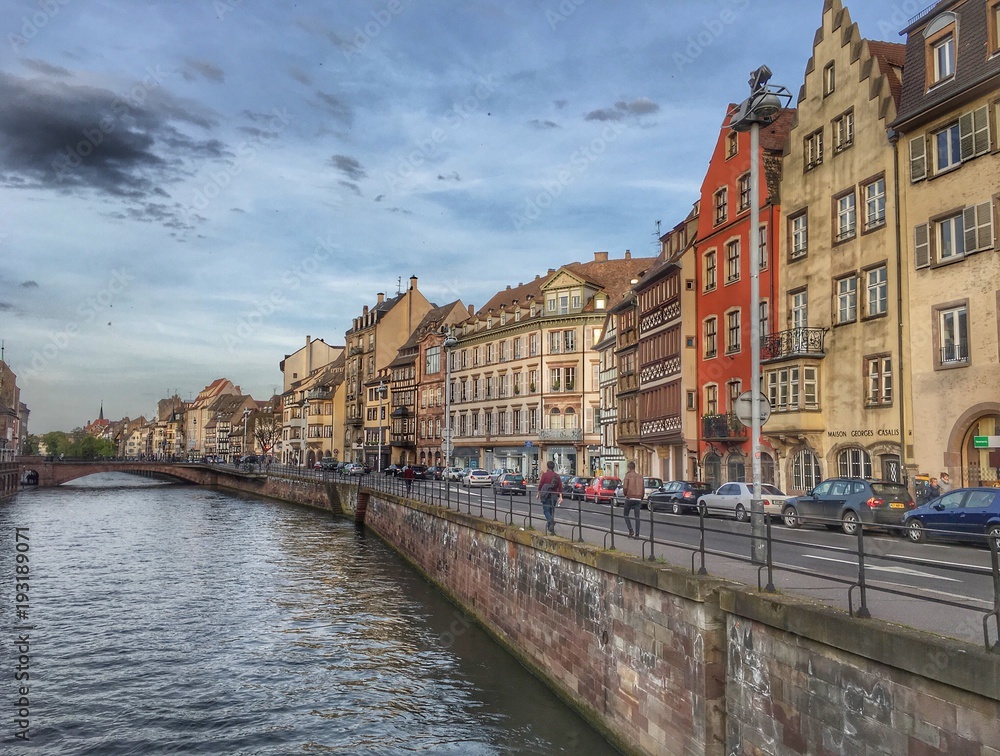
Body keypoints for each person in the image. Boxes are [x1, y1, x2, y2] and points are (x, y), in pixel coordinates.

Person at [538, 460, 563, 535]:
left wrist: (538, 493)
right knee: (552, 511)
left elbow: (541, 484)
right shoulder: (557, 476)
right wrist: (561, 497)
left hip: (546, 495)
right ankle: (551, 529)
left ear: (547, 467)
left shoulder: (545, 475)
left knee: (546, 510)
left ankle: (551, 522)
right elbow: (560, 486)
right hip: (554, 495)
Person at [622, 461, 644, 539]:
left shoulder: (627, 476)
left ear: (628, 468)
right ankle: (637, 534)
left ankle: (631, 530)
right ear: (634, 468)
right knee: (637, 517)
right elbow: (642, 488)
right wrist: (641, 497)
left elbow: (625, 487)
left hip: (630, 497)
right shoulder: (640, 477)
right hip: (638, 498)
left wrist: (626, 495)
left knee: (625, 514)